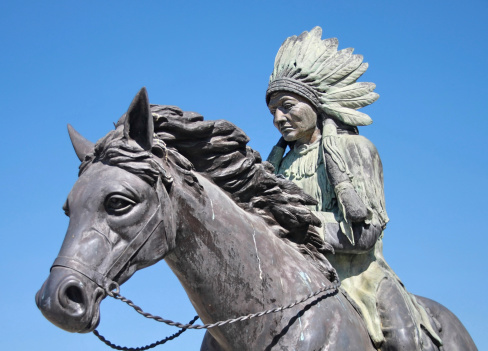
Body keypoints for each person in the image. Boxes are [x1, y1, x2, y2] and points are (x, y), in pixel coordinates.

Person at [266, 27, 442, 350]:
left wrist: (304, 228)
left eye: (287, 105)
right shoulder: (275, 166)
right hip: (293, 277)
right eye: (273, 110)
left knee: (404, 339)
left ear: (314, 103)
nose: (278, 117)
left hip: (361, 277)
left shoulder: (356, 150)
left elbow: (368, 231)